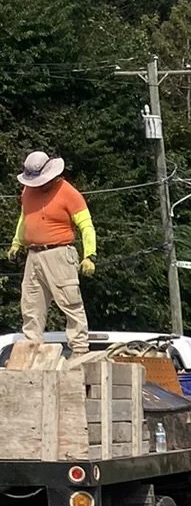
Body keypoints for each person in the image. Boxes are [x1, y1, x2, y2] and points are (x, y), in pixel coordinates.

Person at [9, 150, 96, 357]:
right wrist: (16, 243)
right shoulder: (28, 192)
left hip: (59, 253)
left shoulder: (69, 193)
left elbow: (86, 226)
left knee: (70, 303)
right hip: (34, 254)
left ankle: (79, 350)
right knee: (30, 305)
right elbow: (25, 219)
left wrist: (89, 255)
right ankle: (32, 348)